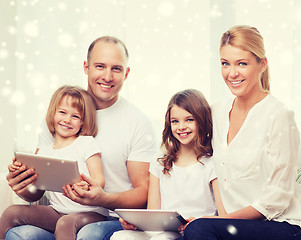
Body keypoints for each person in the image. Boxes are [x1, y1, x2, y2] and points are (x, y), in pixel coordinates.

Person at [4, 36, 157, 239]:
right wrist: (24, 185)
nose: (108, 76)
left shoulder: (137, 122)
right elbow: (38, 188)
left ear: (127, 73)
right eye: (100, 66)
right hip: (60, 214)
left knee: (88, 234)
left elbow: (144, 191)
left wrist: (103, 198)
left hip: (111, 217)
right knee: (20, 234)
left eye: (116, 69)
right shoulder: (60, 118)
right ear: (86, 67)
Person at [182, 25, 301, 240]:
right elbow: (188, 160)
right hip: (236, 225)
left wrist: (220, 221)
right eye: (225, 64)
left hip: (284, 225)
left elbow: (278, 197)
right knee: (191, 229)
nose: (232, 73)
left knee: (199, 230)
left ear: (262, 65)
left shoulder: (279, 115)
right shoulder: (216, 113)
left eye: (242, 63)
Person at [111, 89, 224, 240]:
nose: (181, 126)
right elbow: (153, 212)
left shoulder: (212, 162)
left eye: (189, 119)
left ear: (201, 120)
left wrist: (197, 223)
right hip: (164, 231)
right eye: (175, 121)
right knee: (120, 237)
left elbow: (223, 216)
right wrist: (135, 223)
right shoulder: (160, 161)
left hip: (195, 232)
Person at [0, 85, 108, 239]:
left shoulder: (86, 143)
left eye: (75, 116)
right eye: (62, 112)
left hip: (90, 213)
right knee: (11, 212)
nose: (67, 120)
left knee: (66, 223)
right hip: (58, 211)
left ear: (83, 122)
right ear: (53, 113)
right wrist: (21, 173)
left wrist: (88, 185)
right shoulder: (44, 151)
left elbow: (100, 180)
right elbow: (36, 189)